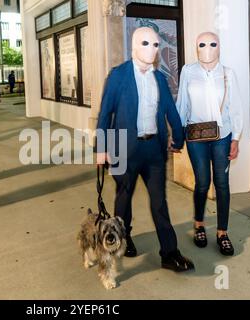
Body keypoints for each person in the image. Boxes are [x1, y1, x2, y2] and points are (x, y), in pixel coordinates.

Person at [96, 27, 195, 272]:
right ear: (133, 47)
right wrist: (101, 148)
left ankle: (169, 253)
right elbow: (105, 112)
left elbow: (171, 111)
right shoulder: (118, 75)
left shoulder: (160, 78)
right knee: (123, 198)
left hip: (154, 150)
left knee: (159, 202)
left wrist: (179, 138)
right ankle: (122, 238)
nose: (151, 49)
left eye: (155, 45)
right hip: (122, 147)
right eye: (145, 43)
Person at [176, 32, 243, 256]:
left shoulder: (227, 74)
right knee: (202, 182)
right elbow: (182, 103)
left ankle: (222, 232)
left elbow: (236, 108)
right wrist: (177, 133)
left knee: (222, 183)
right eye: (202, 44)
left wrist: (235, 138)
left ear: (219, 47)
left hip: (222, 135)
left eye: (212, 44)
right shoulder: (188, 71)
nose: (207, 48)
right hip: (195, 135)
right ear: (196, 47)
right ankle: (199, 225)